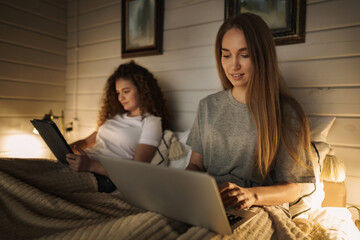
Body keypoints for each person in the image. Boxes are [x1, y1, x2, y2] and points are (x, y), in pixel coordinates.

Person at [186, 13, 315, 213]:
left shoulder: (286, 112)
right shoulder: (207, 106)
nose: (233, 65)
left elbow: (293, 188)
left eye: (244, 55)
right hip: (209, 203)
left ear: (262, 56)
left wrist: (252, 195)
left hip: (259, 207)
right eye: (226, 55)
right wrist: (181, 187)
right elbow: (195, 165)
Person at [66, 60, 170, 192]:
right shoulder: (114, 117)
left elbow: (137, 169)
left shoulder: (151, 122)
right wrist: (65, 149)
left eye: (126, 91)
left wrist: (91, 165)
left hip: (102, 176)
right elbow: (86, 142)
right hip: (81, 165)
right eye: (118, 93)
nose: (121, 98)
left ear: (142, 90)